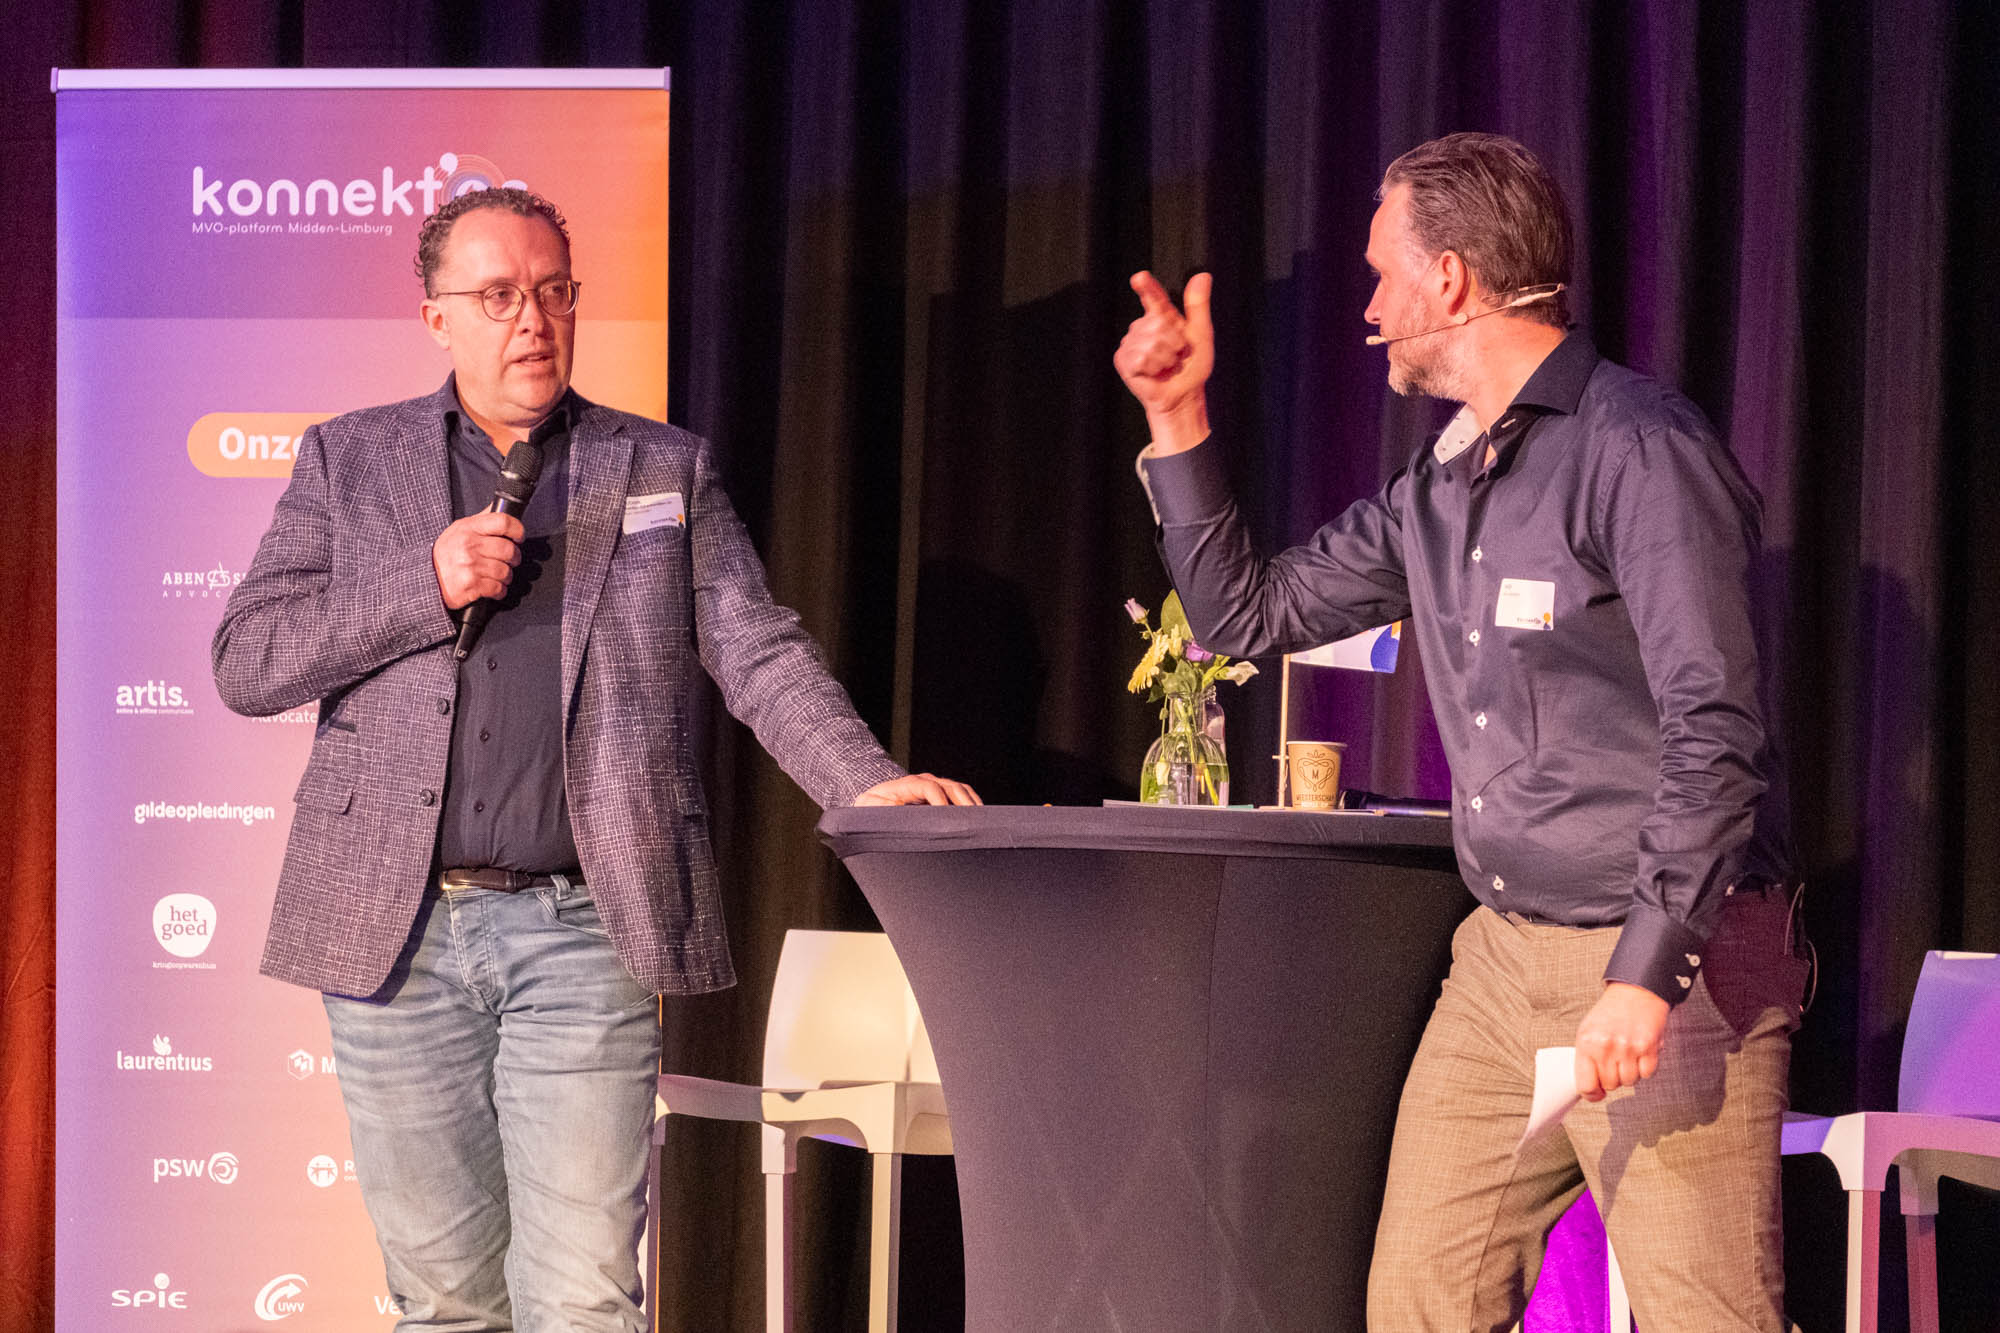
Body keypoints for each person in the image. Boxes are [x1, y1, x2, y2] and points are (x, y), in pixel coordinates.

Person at [213, 186, 978, 1333]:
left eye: (554, 291)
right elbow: (249, 659)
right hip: (394, 933)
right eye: (498, 295)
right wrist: (423, 584)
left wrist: (861, 779)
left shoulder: (659, 467)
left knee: (583, 1299)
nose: (532, 319)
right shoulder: (348, 460)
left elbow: (753, 646)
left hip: (582, 929)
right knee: (444, 1304)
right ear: (437, 317)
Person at [1113, 132, 1805, 1331]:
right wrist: (1176, 418)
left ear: (1448, 278)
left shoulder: (1639, 450)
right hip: (1499, 961)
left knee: (1705, 1316)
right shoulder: (1439, 487)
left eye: (1382, 274)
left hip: (1670, 955)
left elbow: (1713, 725)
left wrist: (1645, 971)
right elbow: (1243, 615)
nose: (1369, 309)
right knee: (1420, 1300)